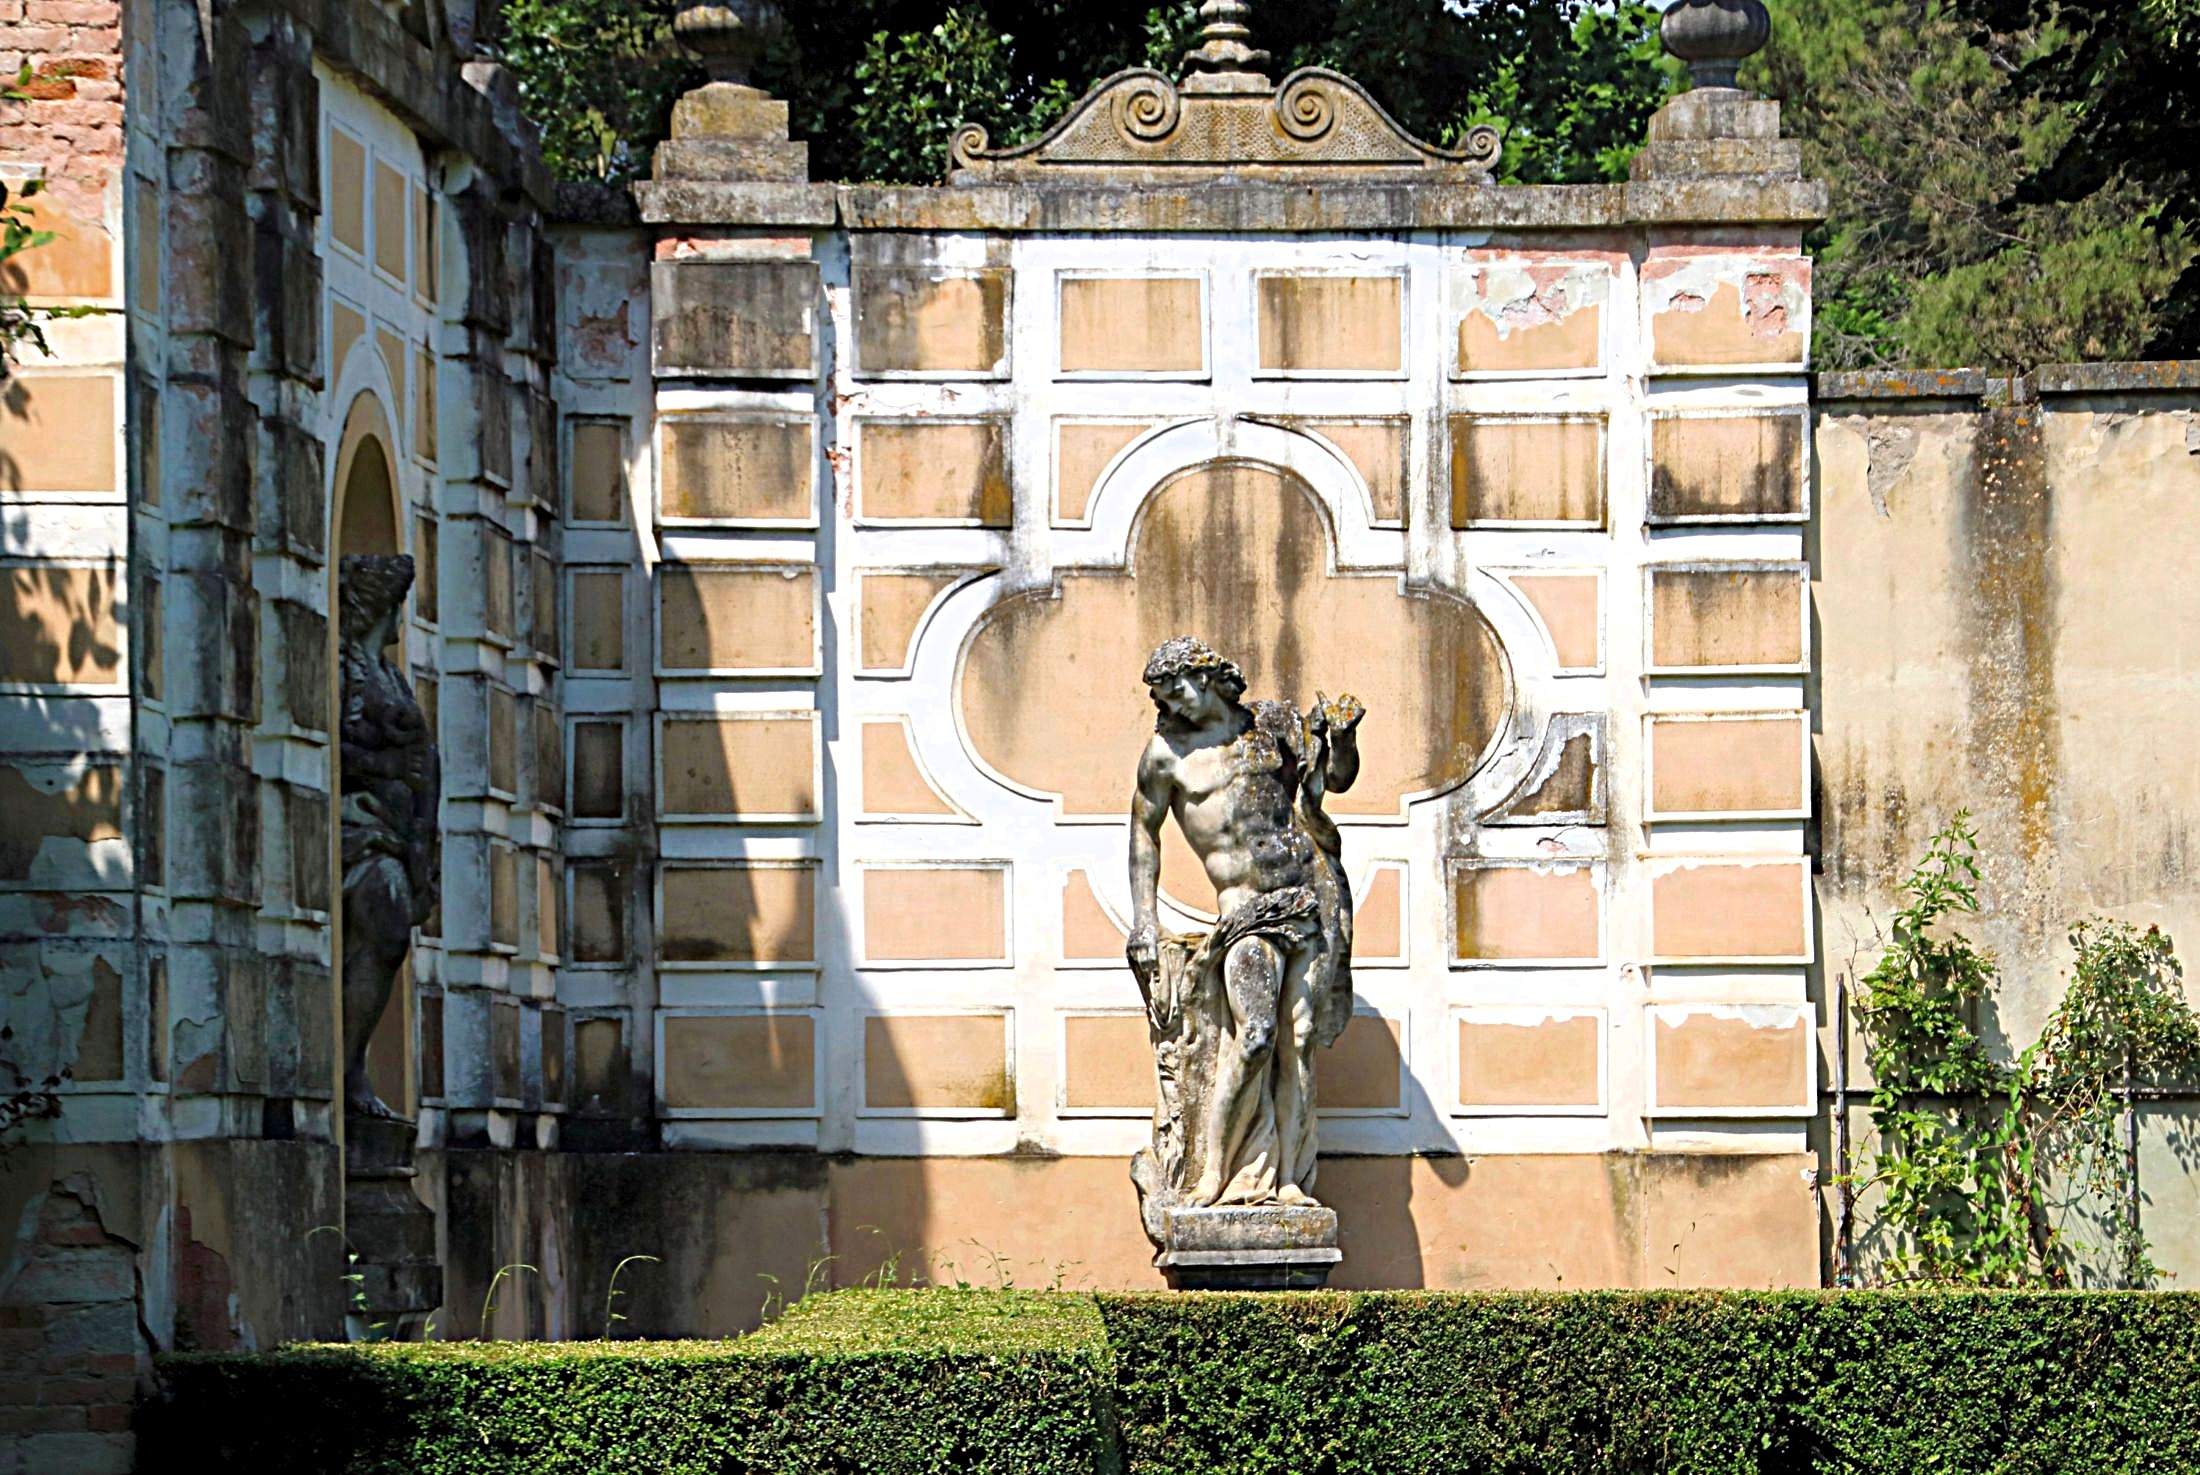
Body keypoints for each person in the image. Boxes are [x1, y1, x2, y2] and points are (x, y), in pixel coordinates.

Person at [1126, 635, 1362, 1214]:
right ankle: (1212, 1173)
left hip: (1309, 895)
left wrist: (1343, 739)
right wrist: (1143, 921)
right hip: (1244, 913)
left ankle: (1286, 1179)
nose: (1174, 704)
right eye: (1162, 697)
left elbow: (1337, 779)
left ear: (1207, 676)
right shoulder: (1165, 755)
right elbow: (1142, 836)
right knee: (1255, 1037)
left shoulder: (1272, 724)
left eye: (1178, 689)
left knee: (1298, 1042)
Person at [337, 554, 440, 1119]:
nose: (403, 616)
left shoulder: (389, 674)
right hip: (362, 827)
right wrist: (386, 772)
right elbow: (330, 746)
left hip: (398, 831)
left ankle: (355, 1067)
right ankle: (349, 1068)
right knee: (386, 920)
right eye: (398, 603)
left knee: (389, 934)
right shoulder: (344, 668)